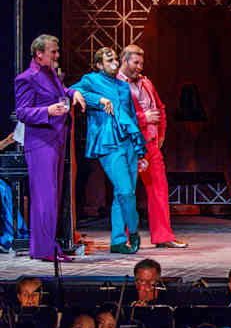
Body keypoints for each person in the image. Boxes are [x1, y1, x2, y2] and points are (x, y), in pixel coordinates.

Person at [14, 34, 86, 261]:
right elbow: (23, 112)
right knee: (45, 198)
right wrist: (47, 111)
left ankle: (45, 247)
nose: (57, 55)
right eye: (53, 52)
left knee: (52, 197)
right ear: (39, 54)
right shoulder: (27, 78)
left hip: (56, 140)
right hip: (40, 143)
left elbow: (60, 92)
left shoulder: (50, 73)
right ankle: (45, 250)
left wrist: (73, 92)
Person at [71, 47, 146, 255]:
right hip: (108, 143)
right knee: (124, 191)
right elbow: (72, 91)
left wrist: (140, 149)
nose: (114, 63)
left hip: (128, 142)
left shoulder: (123, 85)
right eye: (108, 60)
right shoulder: (91, 80)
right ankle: (133, 232)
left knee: (125, 193)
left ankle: (118, 241)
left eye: (115, 59)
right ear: (98, 65)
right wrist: (99, 100)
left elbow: (131, 116)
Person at [117, 44, 187, 249]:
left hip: (151, 144)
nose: (139, 67)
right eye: (136, 63)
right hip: (129, 145)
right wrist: (143, 118)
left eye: (141, 63)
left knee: (159, 190)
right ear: (124, 61)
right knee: (126, 192)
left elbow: (160, 107)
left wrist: (161, 133)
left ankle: (163, 236)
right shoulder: (116, 84)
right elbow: (118, 116)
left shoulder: (146, 82)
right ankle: (123, 239)